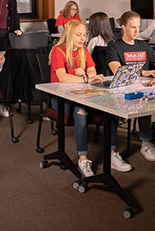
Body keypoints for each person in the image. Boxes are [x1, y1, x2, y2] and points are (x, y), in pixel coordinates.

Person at [49, 20, 132, 177]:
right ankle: (83, 158)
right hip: (60, 97)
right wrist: (85, 79)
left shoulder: (83, 50)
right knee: (81, 113)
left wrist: (88, 76)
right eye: (78, 35)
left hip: (82, 94)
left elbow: (92, 72)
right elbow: (62, 77)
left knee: (111, 108)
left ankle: (112, 154)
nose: (82, 38)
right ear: (69, 35)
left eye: (84, 35)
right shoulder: (58, 51)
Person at [107, 10, 155, 162]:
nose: (137, 31)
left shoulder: (144, 45)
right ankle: (143, 142)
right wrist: (145, 73)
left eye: (138, 27)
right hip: (124, 91)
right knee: (143, 100)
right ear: (123, 27)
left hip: (144, 88)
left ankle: (154, 140)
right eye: (132, 27)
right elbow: (118, 72)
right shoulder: (114, 47)